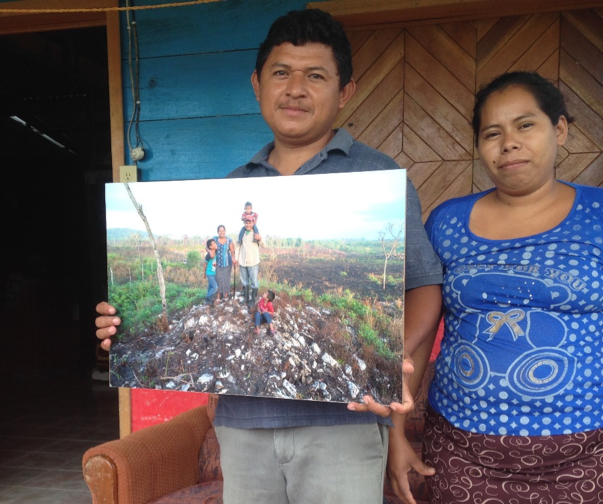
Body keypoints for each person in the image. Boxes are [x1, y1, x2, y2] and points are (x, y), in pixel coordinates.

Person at [95, 8, 443, 504]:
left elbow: (425, 286)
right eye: (281, 73)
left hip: (343, 427)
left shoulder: (379, 175)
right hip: (241, 426)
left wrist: (394, 360)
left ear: (345, 92)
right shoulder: (234, 183)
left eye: (316, 76)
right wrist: (121, 329)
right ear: (257, 84)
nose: (296, 88)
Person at [387, 71, 603, 504]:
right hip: (463, 452)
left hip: (587, 452)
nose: (509, 143)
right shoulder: (446, 220)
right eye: (492, 133)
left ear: (559, 129)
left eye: (526, 125)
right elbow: (420, 329)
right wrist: (396, 434)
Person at [236, 216, 264, 307]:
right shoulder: (242, 234)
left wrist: (260, 238)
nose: (248, 224)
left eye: (250, 223)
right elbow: (238, 246)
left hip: (253, 262)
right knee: (244, 281)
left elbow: (263, 245)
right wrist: (236, 258)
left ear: (253, 223)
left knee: (254, 282)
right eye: (246, 223)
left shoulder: (256, 233)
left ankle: (252, 299)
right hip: (242, 261)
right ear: (244, 223)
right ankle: (246, 298)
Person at [213, 225, 235, 301]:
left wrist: (233, 258)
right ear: (217, 232)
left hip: (227, 263)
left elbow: (232, 251)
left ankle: (225, 295)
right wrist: (210, 251)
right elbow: (207, 246)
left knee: (226, 279)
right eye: (220, 231)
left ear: (225, 231)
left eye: (223, 230)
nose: (221, 232)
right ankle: (218, 296)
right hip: (217, 263)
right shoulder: (214, 239)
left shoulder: (229, 240)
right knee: (218, 279)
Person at [204, 238, 218, 306]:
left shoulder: (216, 252)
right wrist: (204, 273)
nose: (216, 244)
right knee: (215, 287)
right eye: (214, 244)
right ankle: (207, 297)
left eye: (215, 243)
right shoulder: (208, 255)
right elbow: (205, 264)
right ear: (210, 247)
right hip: (209, 273)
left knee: (210, 287)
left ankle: (209, 301)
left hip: (214, 273)